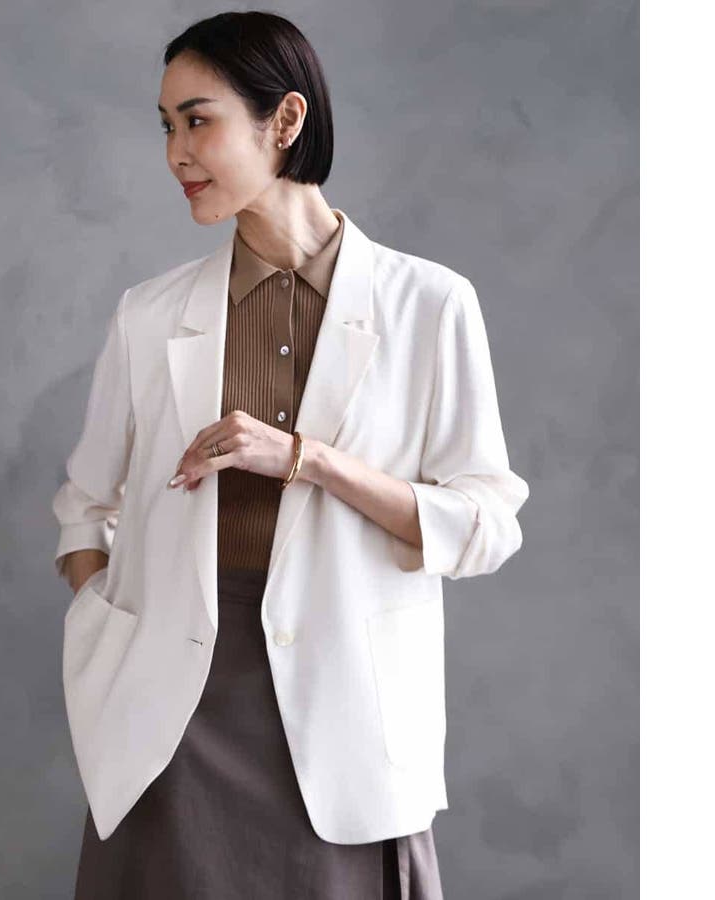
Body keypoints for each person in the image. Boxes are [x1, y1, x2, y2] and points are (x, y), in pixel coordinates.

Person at [52, 11, 529, 899]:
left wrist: (308, 458)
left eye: (198, 121)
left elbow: (486, 527)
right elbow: (86, 506)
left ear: (285, 120)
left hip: (347, 713)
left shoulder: (430, 305)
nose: (175, 153)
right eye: (166, 126)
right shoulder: (147, 315)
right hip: (171, 712)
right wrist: (106, 626)